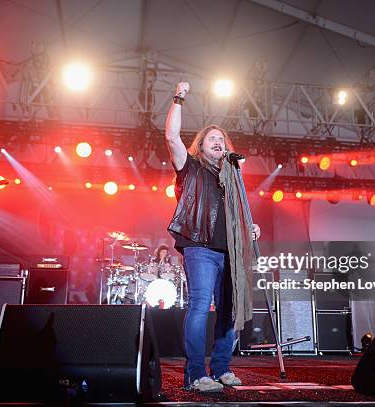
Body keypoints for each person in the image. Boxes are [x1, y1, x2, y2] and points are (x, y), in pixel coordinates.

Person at [165, 82, 260, 392]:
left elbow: (236, 213)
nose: (218, 142)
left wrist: (251, 227)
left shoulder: (232, 177)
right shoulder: (190, 168)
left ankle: (221, 368)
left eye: (222, 139)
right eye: (212, 139)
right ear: (201, 145)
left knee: (228, 310)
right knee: (199, 305)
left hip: (229, 251)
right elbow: (170, 136)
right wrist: (178, 99)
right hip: (199, 247)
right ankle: (194, 374)